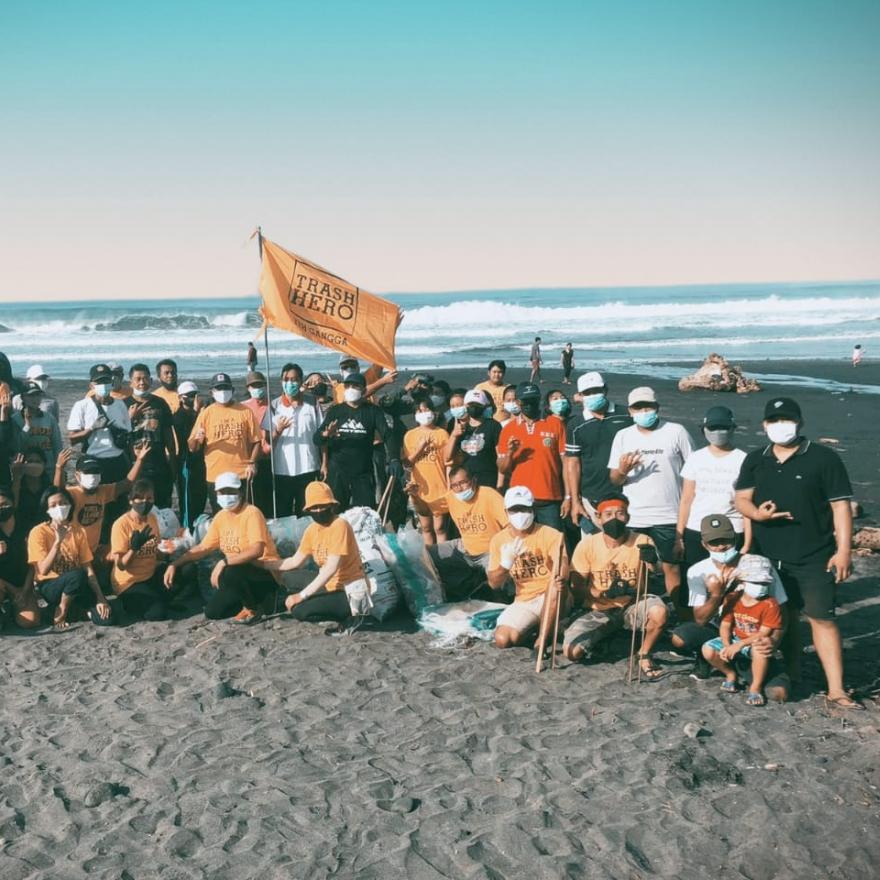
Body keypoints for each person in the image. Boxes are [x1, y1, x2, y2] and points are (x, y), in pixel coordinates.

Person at [734, 396, 860, 709]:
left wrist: (844, 550)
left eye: (787, 420)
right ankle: (793, 673)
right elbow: (741, 499)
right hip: (768, 559)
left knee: (822, 618)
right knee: (784, 618)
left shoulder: (823, 458)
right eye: (774, 420)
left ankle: (837, 689)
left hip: (814, 555)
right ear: (764, 425)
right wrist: (758, 515)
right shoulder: (755, 459)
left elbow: (840, 506)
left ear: (800, 423)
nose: (780, 426)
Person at [668, 515, 789, 694]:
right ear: (704, 544)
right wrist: (717, 594)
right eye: (714, 542)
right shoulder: (698, 570)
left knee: (778, 693)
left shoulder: (760, 564)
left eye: (727, 540)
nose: (721, 546)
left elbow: (782, 610)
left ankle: (751, 668)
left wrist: (773, 641)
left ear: (736, 538)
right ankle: (713, 661)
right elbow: (700, 619)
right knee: (680, 637)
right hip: (720, 626)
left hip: (754, 631)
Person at [562, 493, 666, 679]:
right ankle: (609, 635)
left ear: (628, 517)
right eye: (608, 514)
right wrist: (601, 594)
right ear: (599, 518)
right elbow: (577, 588)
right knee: (572, 652)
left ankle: (643, 654)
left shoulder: (642, 540)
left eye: (620, 513)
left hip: (632, 603)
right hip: (598, 609)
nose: (614, 519)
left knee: (659, 612)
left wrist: (653, 562)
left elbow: (657, 573)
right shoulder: (587, 545)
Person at [609, 386, 694, 600]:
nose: (643, 411)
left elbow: (694, 470)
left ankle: (677, 609)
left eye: (647, 406)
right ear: (630, 411)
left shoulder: (676, 431)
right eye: (638, 407)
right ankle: (636, 608)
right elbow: (614, 479)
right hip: (634, 515)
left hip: (669, 515)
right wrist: (623, 470)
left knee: (672, 567)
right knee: (633, 567)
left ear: (657, 407)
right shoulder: (623, 436)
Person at [164, 472, 279, 623]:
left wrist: (224, 562)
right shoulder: (221, 517)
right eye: (222, 492)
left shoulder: (252, 513)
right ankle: (260, 600)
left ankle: (254, 607)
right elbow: (203, 547)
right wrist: (175, 564)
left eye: (231, 491)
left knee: (229, 571)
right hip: (238, 575)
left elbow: (257, 550)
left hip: (262, 569)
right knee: (213, 611)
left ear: (241, 492)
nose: (226, 495)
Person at [261, 481, 364, 622]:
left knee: (299, 610)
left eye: (323, 506)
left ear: (332, 506)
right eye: (314, 508)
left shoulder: (340, 525)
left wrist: (302, 596)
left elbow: (331, 568)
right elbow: (294, 561)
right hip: (328, 584)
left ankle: (342, 615)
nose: (318, 511)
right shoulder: (312, 530)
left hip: (347, 589)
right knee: (288, 577)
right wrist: (263, 564)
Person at [487, 486, 567, 649]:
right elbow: (493, 583)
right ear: (507, 512)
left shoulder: (551, 534)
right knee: (503, 639)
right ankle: (539, 627)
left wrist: (559, 573)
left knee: (554, 585)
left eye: (524, 509)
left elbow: (563, 567)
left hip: (552, 596)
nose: (520, 514)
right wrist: (505, 565)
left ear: (533, 509)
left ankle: (543, 639)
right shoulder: (498, 540)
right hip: (524, 599)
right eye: (515, 510)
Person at [314, 371, 402, 511]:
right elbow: (317, 439)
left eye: (355, 386)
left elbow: (388, 435)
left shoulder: (373, 411)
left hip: (362, 472)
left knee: (365, 514)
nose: (351, 389)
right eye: (348, 385)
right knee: (336, 512)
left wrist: (394, 459)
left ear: (364, 390)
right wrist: (326, 434)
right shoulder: (336, 411)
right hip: (338, 471)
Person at [28, 486, 113, 628]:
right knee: (77, 576)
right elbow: (43, 570)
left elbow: (88, 568)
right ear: (47, 510)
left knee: (107, 618)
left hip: (76, 585)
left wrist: (101, 598)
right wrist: (58, 542)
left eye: (63, 503)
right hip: (51, 585)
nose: (59, 507)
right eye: (53, 505)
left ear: (70, 504)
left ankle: (75, 612)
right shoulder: (38, 532)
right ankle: (62, 609)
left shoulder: (78, 530)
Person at [702, 561, 784, 707]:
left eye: (764, 583)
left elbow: (764, 632)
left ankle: (755, 687)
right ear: (743, 582)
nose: (760, 586)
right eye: (755, 582)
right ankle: (730, 674)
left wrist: (740, 645)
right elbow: (725, 625)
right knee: (707, 649)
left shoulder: (770, 604)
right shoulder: (733, 598)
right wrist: (727, 645)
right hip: (736, 637)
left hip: (754, 641)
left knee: (760, 651)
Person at [676, 406, 749, 569]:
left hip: (732, 531)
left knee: (731, 579)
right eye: (713, 427)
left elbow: (746, 503)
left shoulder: (743, 459)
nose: (718, 432)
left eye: (723, 427)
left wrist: (748, 542)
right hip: (696, 529)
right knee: (696, 576)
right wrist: (679, 536)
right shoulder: (696, 458)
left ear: (732, 429)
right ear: (704, 430)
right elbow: (686, 499)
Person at [565, 371, 632, 534]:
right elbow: (573, 464)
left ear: (606, 390)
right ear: (580, 395)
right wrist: (575, 501)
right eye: (587, 393)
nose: (592, 395)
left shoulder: (626, 415)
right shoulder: (576, 424)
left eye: (596, 391)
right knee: (594, 549)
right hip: (591, 497)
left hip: (627, 494)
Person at [428, 465, 508, 600]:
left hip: (490, 551)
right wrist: (414, 496)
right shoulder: (452, 497)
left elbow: (509, 526)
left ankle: (499, 601)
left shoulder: (489, 494)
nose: (460, 488)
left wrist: (502, 552)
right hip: (466, 547)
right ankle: (466, 584)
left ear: (474, 480)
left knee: (497, 584)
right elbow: (426, 509)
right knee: (428, 555)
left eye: (463, 483)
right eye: (455, 485)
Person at [56, 446, 150, 558]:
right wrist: (59, 468)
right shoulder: (72, 494)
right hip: (73, 552)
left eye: (95, 471)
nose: (92, 475)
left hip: (93, 551)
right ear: (77, 475)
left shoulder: (103, 491)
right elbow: (58, 493)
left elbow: (127, 484)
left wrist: (139, 460)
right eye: (88, 471)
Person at [497, 382, 567, 529]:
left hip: (550, 497)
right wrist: (510, 452)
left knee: (554, 543)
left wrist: (568, 496)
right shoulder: (508, 429)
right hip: (520, 500)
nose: (529, 404)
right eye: (525, 401)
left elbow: (566, 463)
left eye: (533, 401)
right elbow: (502, 468)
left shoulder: (554, 423)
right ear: (518, 402)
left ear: (539, 400)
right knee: (523, 545)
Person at [188, 372, 261, 510]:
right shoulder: (206, 414)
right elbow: (192, 447)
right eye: (219, 388)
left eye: (226, 388)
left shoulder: (245, 411)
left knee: (242, 513)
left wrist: (252, 463)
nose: (223, 392)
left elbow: (256, 441)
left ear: (232, 390)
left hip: (241, 473)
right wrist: (197, 439)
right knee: (220, 514)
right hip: (216, 475)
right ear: (212, 392)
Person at [265, 363, 322, 517]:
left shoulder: (313, 403)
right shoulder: (273, 406)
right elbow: (268, 442)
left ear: (301, 381)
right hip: (282, 469)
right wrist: (278, 430)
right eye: (287, 379)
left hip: (308, 467)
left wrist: (325, 464)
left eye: (295, 379)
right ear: (281, 381)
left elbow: (321, 436)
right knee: (283, 514)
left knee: (307, 512)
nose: (290, 383)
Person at [67, 364, 132, 497]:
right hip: (94, 461)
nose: (103, 385)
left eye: (106, 381)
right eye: (99, 382)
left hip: (118, 460)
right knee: (95, 502)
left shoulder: (120, 405)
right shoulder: (82, 406)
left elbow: (128, 434)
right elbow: (72, 438)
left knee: (119, 501)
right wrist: (92, 428)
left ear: (112, 382)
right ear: (91, 385)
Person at [109, 478, 170, 621]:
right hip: (129, 581)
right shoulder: (121, 524)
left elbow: (157, 551)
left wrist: (168, 549)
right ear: (130, 500)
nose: (145, 502)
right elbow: (121, 565)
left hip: (149, 573)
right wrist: (134, 548)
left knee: (186, 571)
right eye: (139, 498)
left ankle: (160, 598)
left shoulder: (152, 518)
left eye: (149, 498)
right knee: (158, 613)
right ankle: (128, 603)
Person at [125, 364, 177, 509]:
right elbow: (119, 437)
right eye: (138, 379)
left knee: (161, 507)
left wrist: (172, 465)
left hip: (158, 464)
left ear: (151, 380)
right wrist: (130, 418)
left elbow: (169, 437)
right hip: (135, 466)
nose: (142, 383)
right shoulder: (123, 405)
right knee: (139, 507)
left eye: (145, 378)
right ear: (131, 382)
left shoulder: (160, 403)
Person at [402, 399, 450, 545]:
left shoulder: (442, 433)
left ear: (434, 412)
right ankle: (430, 559)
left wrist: (449, 486)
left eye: (427, 410)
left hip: (440, 487)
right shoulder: (410, 435)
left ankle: (443, 559)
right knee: (426, 527)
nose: (424, 414)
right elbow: (407, 463)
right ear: (415, 414)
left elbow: (448, 463)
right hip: (420, 488)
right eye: (420, 411)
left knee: (440, 528)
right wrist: (420, 448)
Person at [443, 388, 502, 489]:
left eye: (478, 404)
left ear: (484, 406)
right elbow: (447, 457)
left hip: (488, 481)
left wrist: (500, 485)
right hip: (467, 482)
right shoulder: (460, 428)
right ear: (465, 406)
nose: (474, 407)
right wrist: (454, 435)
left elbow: (500, 457)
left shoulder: (494, 426)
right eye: (470, 404)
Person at [0, 484, 40, 629]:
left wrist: (24, 591)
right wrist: (12, 590)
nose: (2, 508)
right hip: (3, 584)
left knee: (30, 622)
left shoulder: (26, 528)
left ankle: (11, 608)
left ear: (13, 503)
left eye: (5, 504)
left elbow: (33, 564)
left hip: (24, 582)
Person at [172, 381, 207, 528]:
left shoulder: (199, 414)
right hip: (186, 461)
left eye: (194, 395)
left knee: (201, 495)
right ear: (181, 397)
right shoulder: (178, 416)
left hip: (200, 460)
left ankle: (196, 525)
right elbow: (187, 438)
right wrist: (197, 412)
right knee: (187, 498)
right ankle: (187, 528)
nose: (192, 398)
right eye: (189, 396)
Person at [13, 381, 63, 474]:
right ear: (22, 397)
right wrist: (27, 426)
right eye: (31, 396)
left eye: (38, 395)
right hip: (25, 469)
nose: (35, 399)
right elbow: (16, 446)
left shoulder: (49, 418)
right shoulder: (15, 419)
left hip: (48, 468)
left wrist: (60, 467)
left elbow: (57, 445)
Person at [243, 371, 274, 517]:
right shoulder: (243, 407)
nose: (257, 388)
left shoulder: (273, 405)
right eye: (253, 386)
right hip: (251, 459)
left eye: (259, 385)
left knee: (269, 499)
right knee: (252, 500)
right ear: (248, 388)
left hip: (270, 458)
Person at [11, 447, 53, 534]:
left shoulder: (48, 486)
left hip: (46, 531)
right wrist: (16, 477)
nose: (34, 464)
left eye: (38, 462)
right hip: (22, 531)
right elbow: (13, 506)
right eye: (30, 461)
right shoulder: (18, 485)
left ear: (44, 464)